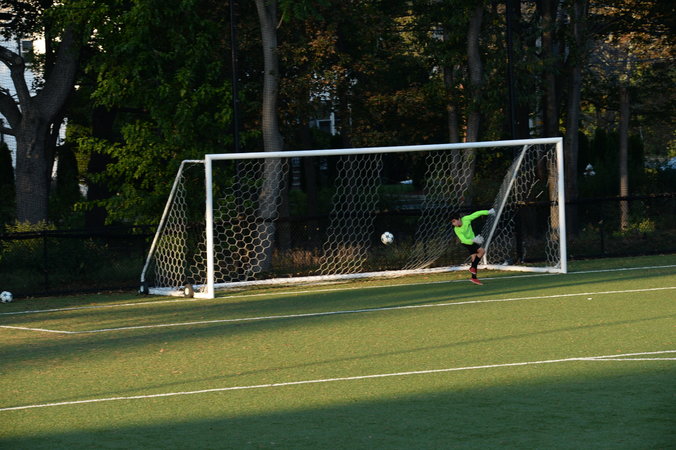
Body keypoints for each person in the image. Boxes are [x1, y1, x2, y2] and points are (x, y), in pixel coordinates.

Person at [451, 208, 495, 285]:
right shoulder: (456, 229)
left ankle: (474, 278)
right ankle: (472, 268)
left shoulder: (466, 219)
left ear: (459, 219)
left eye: (454, 221)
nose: (453, 224)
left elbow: (476, 214)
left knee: (474, 258)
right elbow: (463, 240)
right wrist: (473, 240)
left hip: (472, 241)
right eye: (452, 222)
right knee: (482, 251)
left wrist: (487, 212)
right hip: (466, 243)